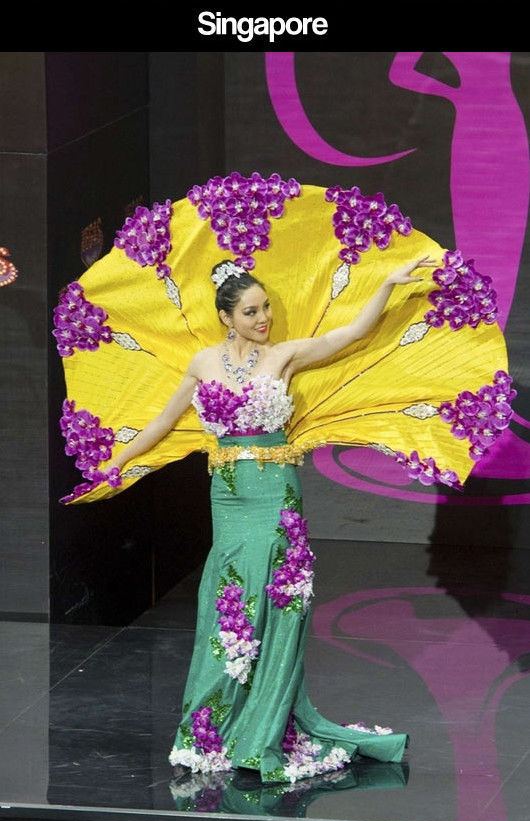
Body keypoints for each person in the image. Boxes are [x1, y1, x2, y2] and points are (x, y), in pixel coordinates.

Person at [54, 174, 513, 784]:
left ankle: (266, 725)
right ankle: (213, 728)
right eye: (251, 311)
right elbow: (162, 423)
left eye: (266, 307)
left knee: (278, 599)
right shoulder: (202, 363)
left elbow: (350, 334)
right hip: (229, 497)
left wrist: (386, 285)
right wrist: (116, 463)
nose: (264, 318)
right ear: (226, 317)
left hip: (276, 495)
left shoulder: (284, 356)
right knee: (229, 605)